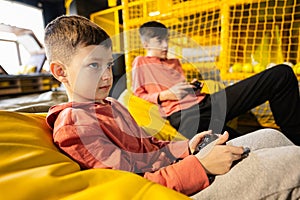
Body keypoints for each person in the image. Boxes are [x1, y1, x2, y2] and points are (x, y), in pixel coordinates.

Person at [44, 15, 300, 199]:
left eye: (109, 65)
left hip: (180, 163)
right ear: (60, 72)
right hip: (173, 188)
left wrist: (185, 147)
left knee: (272, 136)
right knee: (294, 163)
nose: (107, 76)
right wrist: (201, 166)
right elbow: (129, 187)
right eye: (93, 66)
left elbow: (151, 148)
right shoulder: (74, 127)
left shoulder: (111, 104)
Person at [132, 21, 300, 145]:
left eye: (166, 39)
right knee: (252, 145)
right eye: (159, 41)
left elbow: (181, 88)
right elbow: (138, 94)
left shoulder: (174, 62)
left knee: (281, 74)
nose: (166, 44)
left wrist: (192, 86)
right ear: (146, 43)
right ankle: (286, 147)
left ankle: (296, 140)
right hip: (185, 117)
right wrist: (165, 95)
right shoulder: (140, 62)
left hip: (207, 101)